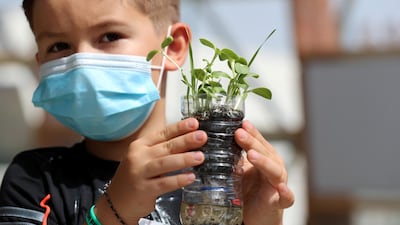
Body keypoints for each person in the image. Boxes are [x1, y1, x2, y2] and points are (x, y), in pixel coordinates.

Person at [0, 0, 294, 224]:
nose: (81, 62)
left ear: (173, 47)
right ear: (40, 62)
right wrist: (110, 214)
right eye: (59, 45)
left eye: (109, 36)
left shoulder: (221, 183)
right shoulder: (34, 179)